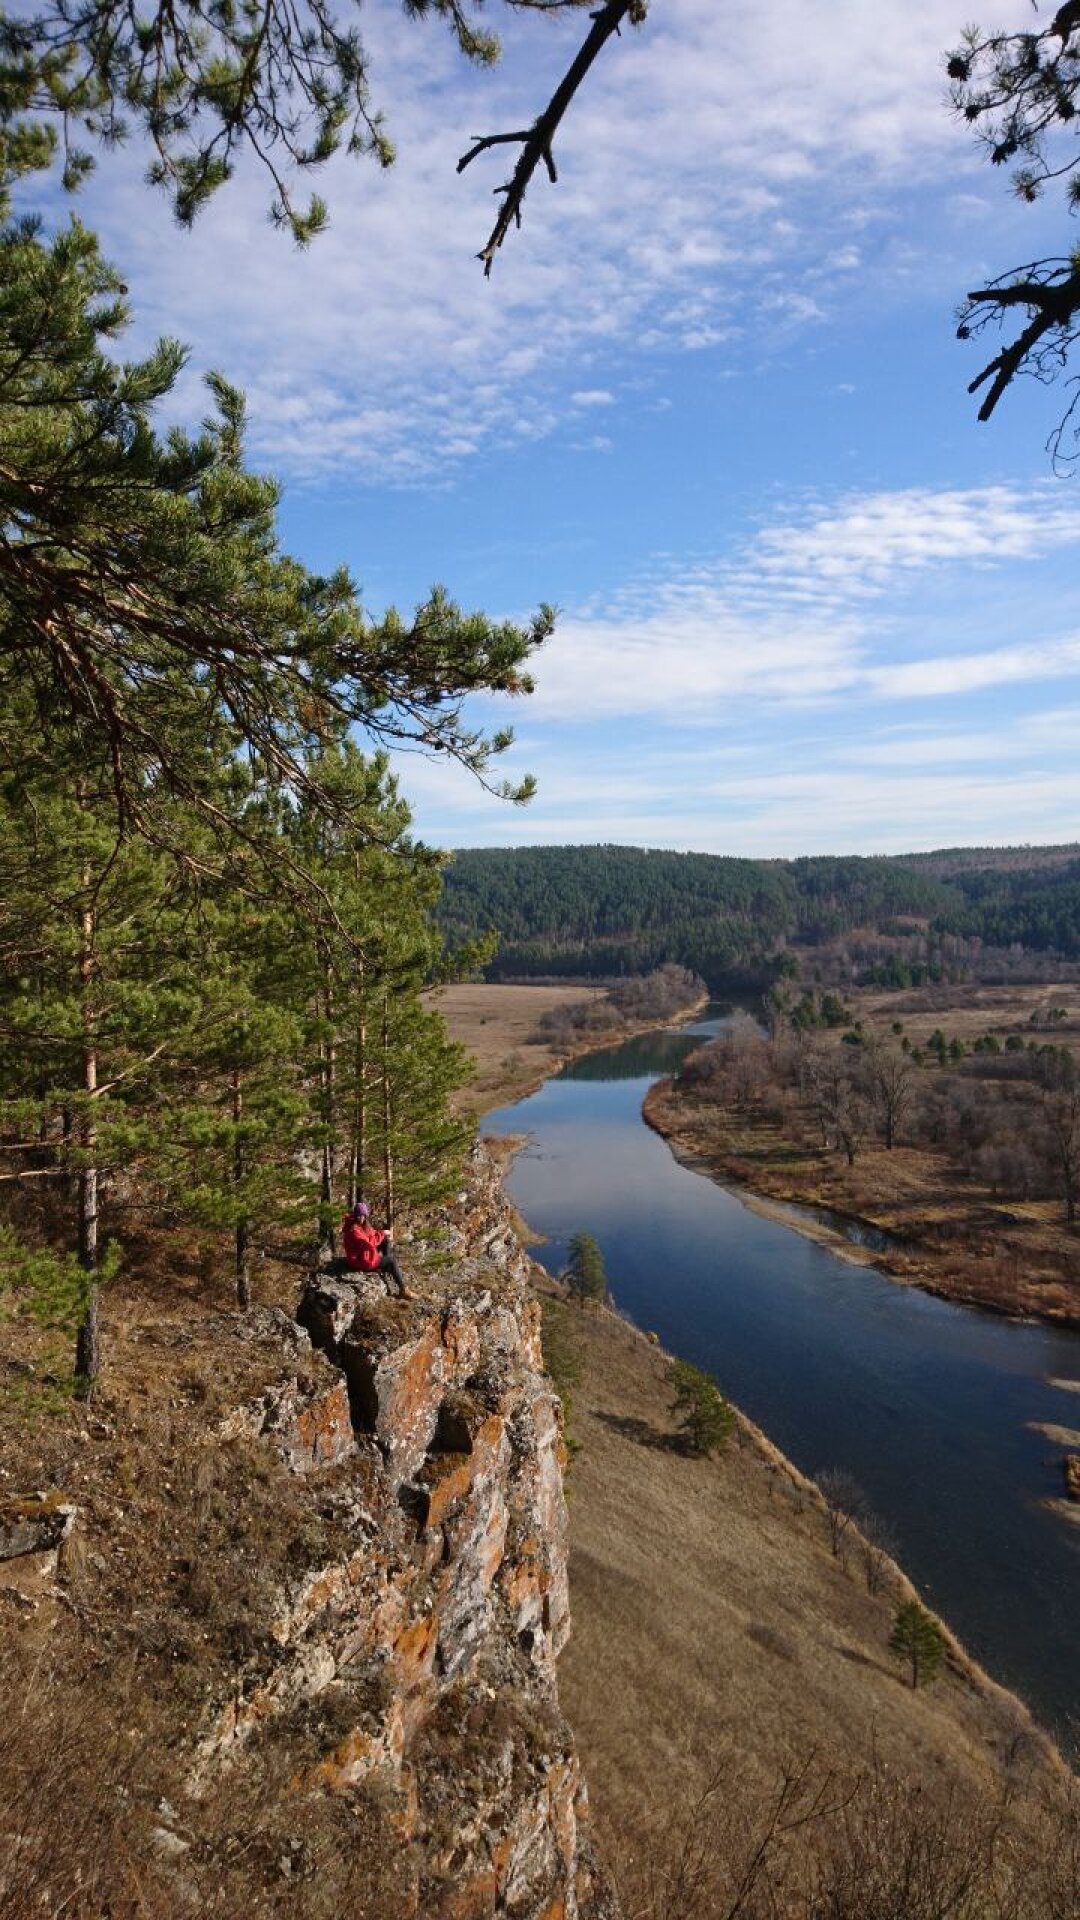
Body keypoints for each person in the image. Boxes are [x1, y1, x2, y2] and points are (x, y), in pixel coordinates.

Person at [341, 1201, 409, 1298]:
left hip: (361, 1255)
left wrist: (383, 1233)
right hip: (361, 1261)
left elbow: (372, 1233)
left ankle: (385, 1266)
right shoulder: (353, 1230)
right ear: (355, 1215)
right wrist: (383, 1233)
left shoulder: (360, 1225)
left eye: (363, 1215)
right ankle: (403, 1290)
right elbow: (369, 1243)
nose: (361, 1218)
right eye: (359, 1216)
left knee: (385, 1241)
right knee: (392, 1260)